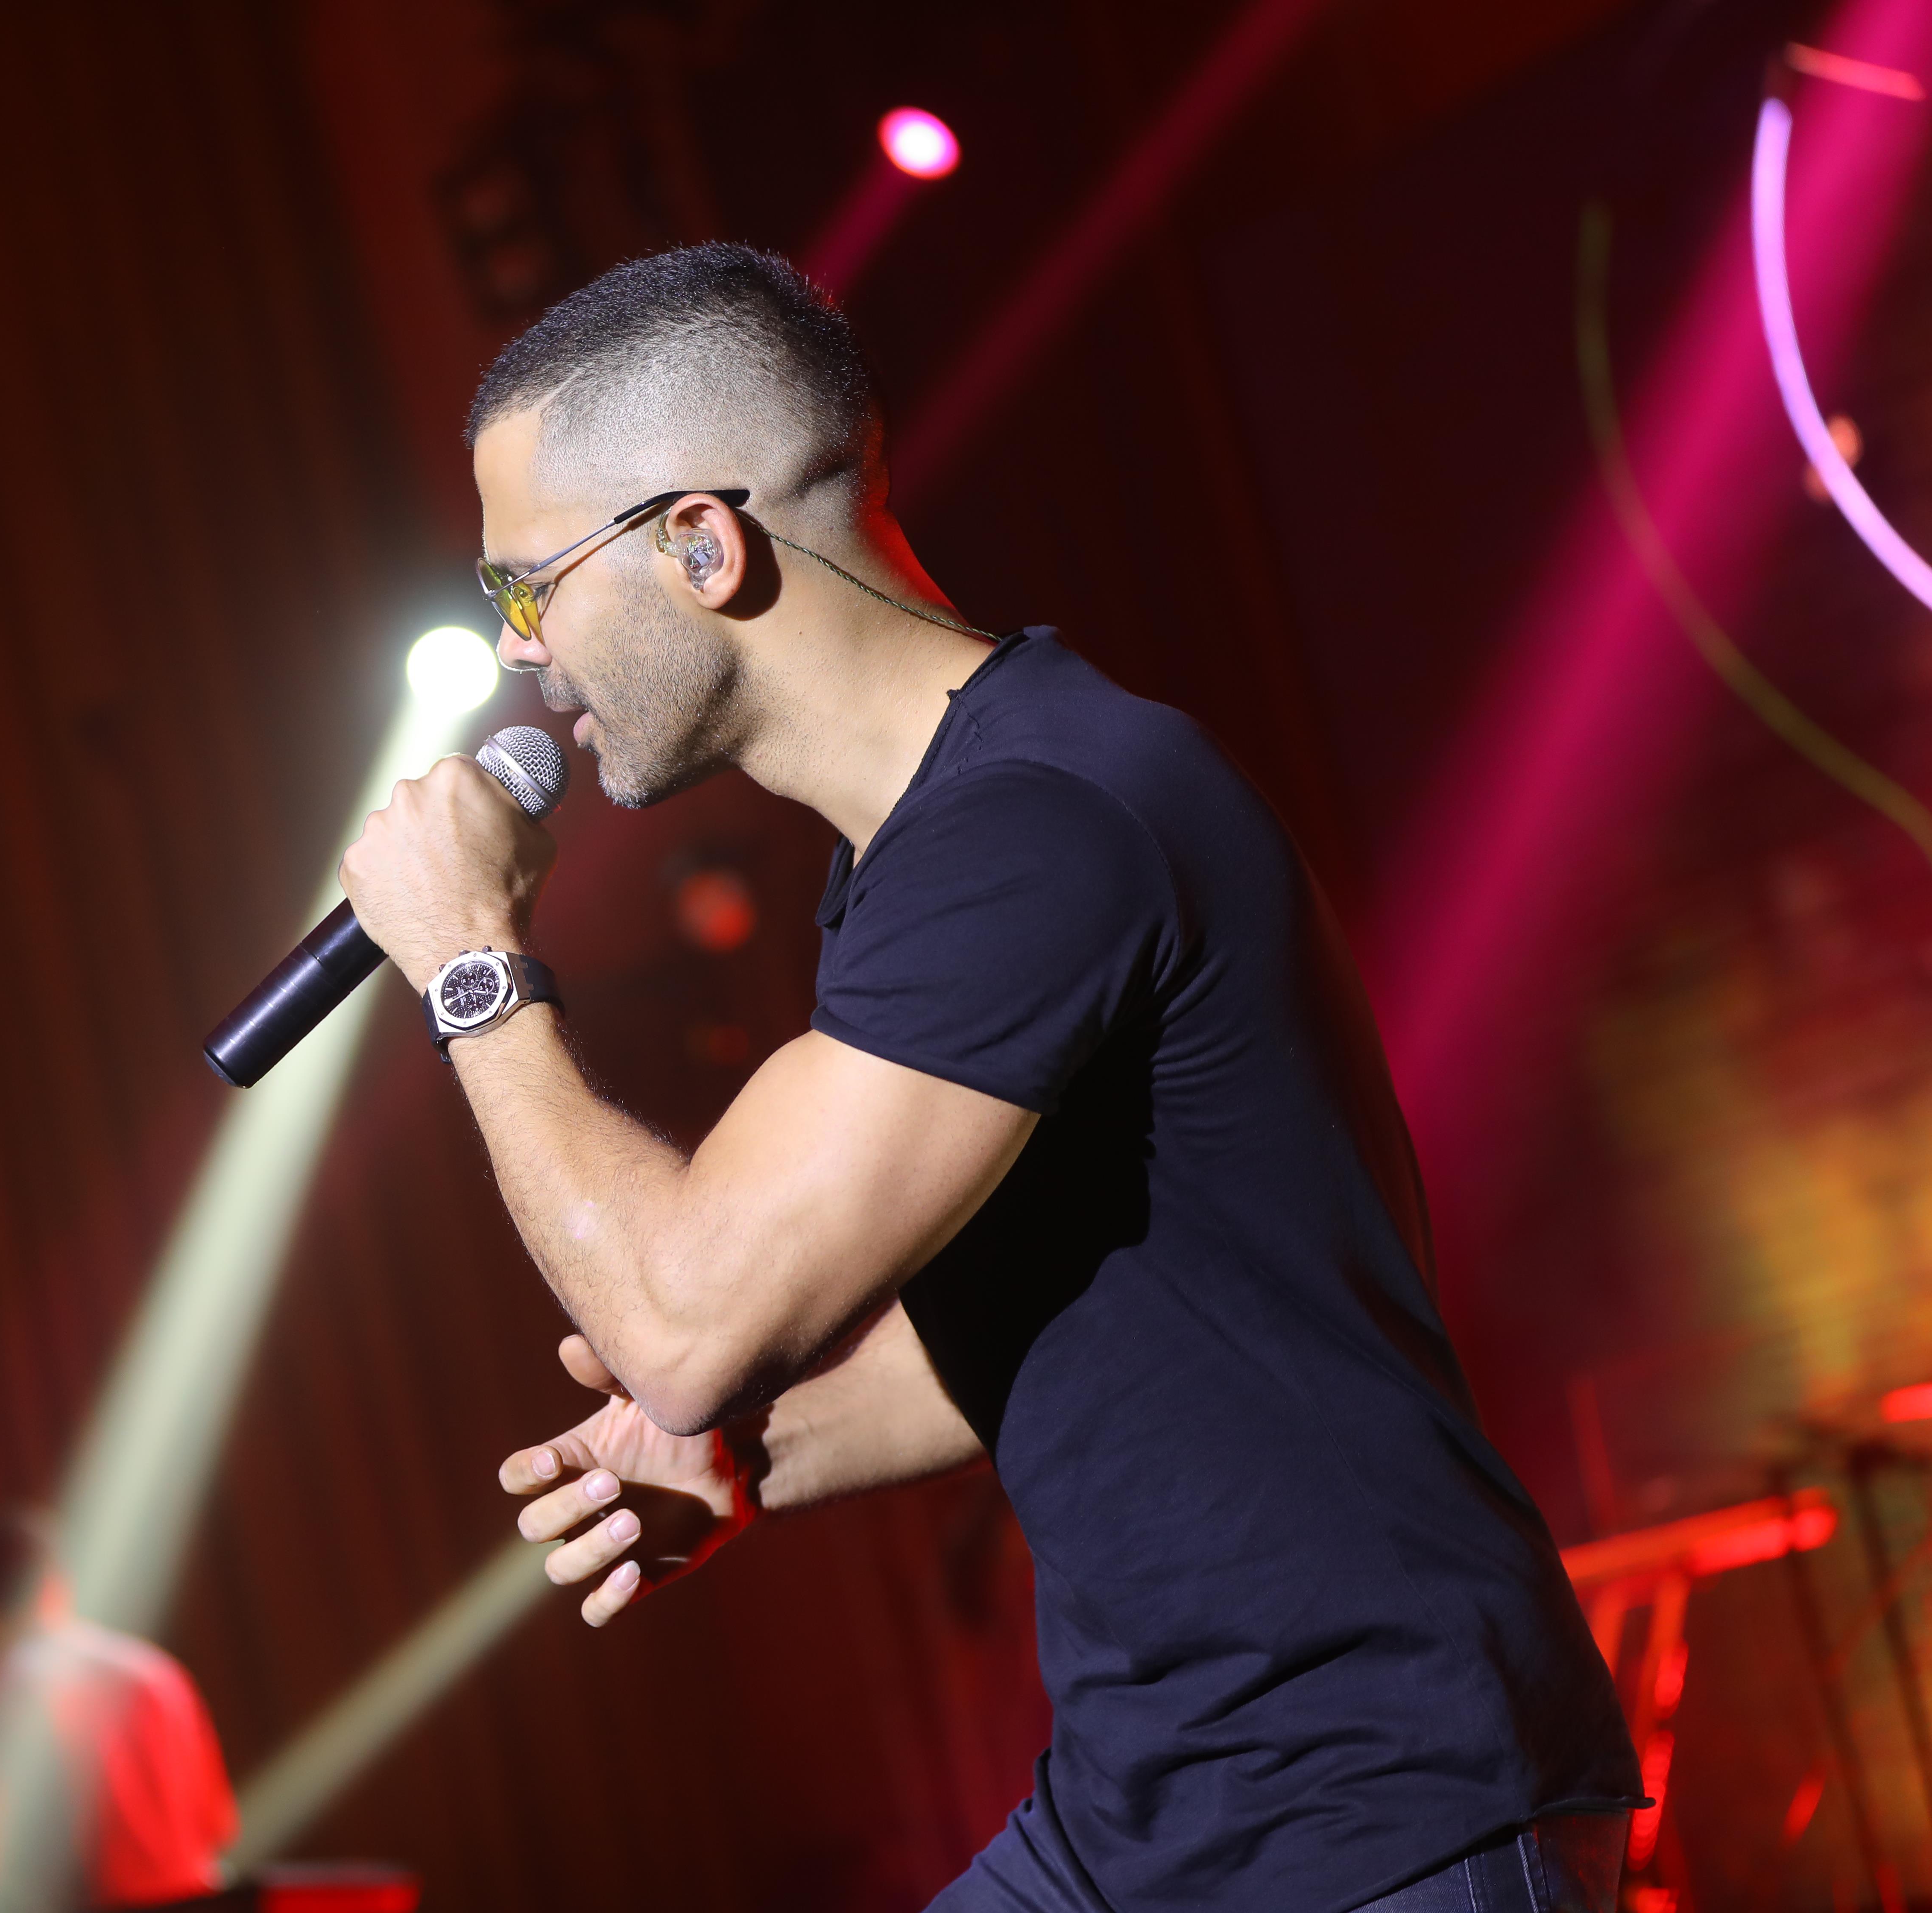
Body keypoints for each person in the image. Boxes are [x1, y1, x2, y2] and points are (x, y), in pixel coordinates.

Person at [335, 244, 1641, 1913]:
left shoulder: (1040, 823)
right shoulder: (937, 847)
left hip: (1375, 1799)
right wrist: (751, 1458)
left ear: (702, 543)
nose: (525, 655)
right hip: (1162, 1809)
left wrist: (470, 957)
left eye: (530, 587)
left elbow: (682, 1324)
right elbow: (1043, 1326)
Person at [0, 1509, 238, 1910]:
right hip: (205, 1900)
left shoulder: (1, 1693)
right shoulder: (156, 1669)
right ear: (59, 1579)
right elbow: (220, 1826)